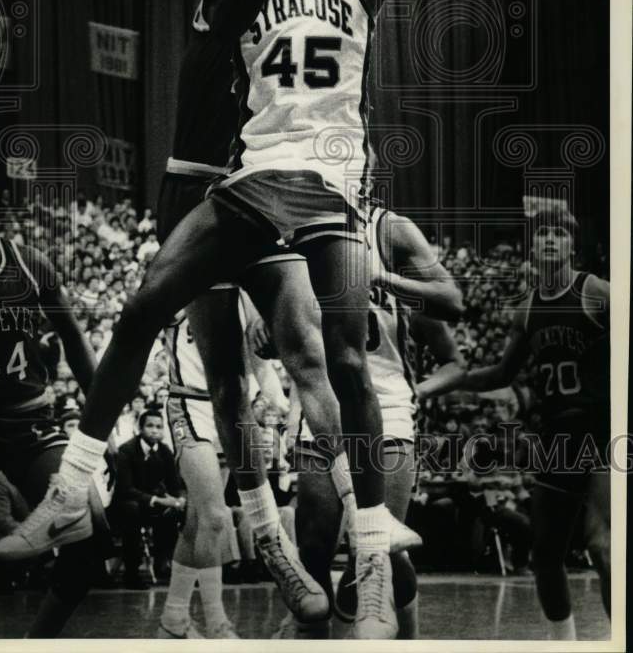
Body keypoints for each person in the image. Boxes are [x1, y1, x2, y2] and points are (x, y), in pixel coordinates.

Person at [0, 0, 583, 641]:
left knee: (340, 358)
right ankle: (72, 487)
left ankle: (370, 528)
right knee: (146, 302)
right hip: (247, 179)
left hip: (327, 189)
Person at [267, 205, 465, 639]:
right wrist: (268, 327)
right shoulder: (296, 227)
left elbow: (453, 302)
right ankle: (307, 632)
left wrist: (379, 276)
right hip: (321, 406)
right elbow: (273, 333)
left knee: (380, 551)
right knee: (314, 546)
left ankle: (406, 636)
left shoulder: (388, 230)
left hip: (387, 407)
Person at [450, 205, 610, 639]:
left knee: (602, 544)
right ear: (531, 248)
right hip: (557, 434)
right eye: (543, 234)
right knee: (544, 553)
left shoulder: (597, 292)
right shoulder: (527, 308)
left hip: (602, 430)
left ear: (572, 245)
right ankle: (566, 643)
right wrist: (450, 381)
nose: (551, 239)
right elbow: (502, 374)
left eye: (559, 233)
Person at [0, 169, 102, 638]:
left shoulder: (29, 263)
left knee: (90, 538)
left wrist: (99, 423)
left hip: (32, 422)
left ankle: (37, 642)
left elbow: (77, 344)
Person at [158, 289, 288, 639]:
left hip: (232, 410)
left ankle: (173, 616)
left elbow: (262, 365)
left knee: (198, 519)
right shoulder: (184, 277)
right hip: (189, 404)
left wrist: (280, 408)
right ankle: (217, 622)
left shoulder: (247, 292)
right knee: (216, 517)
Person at [110, 408, 183, 588]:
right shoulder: (126, 451)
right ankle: (131, 573)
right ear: (140, 428)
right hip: (128, 504)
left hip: (155, 503)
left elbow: (175, 485)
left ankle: (165, 563)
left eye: (159, 426)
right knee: (131, 510)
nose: (155, 430)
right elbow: (125, 489)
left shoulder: (165, 451)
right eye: (150, 426)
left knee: (177, 512)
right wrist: (158, 500)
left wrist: (179, 499)